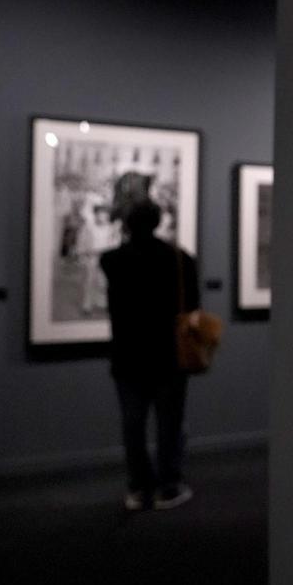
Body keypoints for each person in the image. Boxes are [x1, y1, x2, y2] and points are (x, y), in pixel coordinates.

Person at [100, 196, 199, 511]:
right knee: (169, 424)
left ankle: (138, 488)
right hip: (169, 355)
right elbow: (193, 306)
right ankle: (167, 486)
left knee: (133, 426)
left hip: (127, 356)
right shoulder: (180, 259)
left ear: (125, 224)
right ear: (159, 222)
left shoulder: (112, 260)